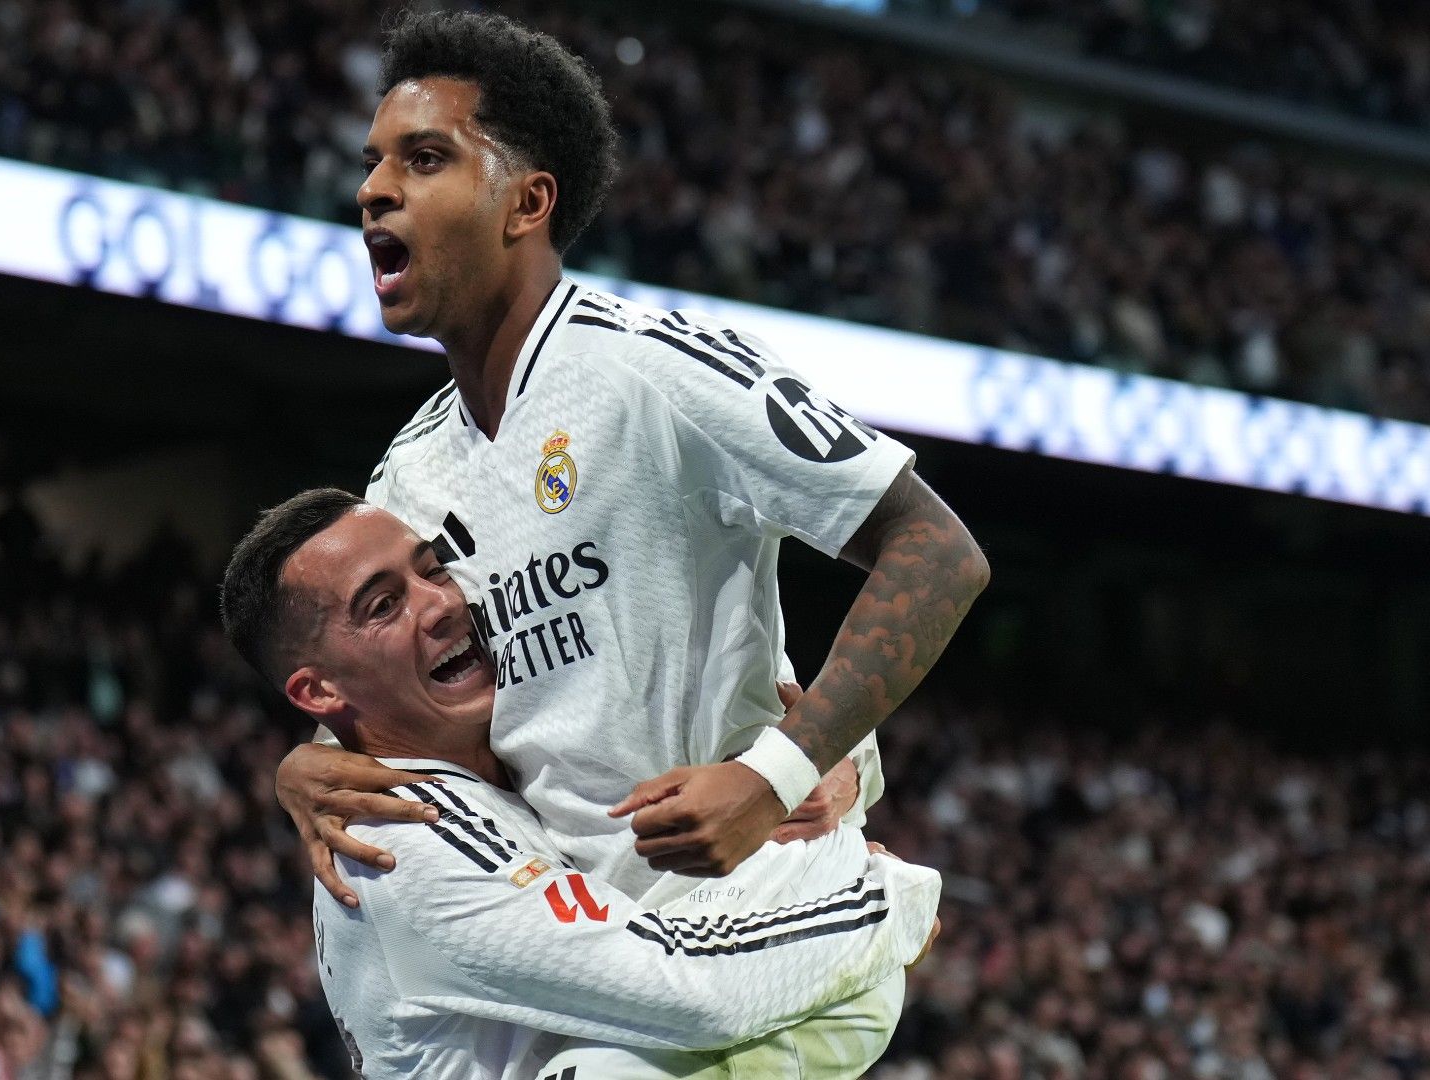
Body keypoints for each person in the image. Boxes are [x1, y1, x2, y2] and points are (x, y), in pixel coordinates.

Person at [276, 10, 988, 907]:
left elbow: (936, 550)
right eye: (372, 163)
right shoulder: (406, 478)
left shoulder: (657, 368)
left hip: (729, 919)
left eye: (423, 159)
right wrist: (310, 762)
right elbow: (423, 710)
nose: (374, 190)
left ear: (527, 204)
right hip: (589, 946)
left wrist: (781, 770)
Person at [221, 490, 942, 1079]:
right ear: (316, 693)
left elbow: (776, 711)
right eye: (382, 606)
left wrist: (826, 770)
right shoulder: (400, 833)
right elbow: (691, 991)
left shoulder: (501, 756)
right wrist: (887, 900)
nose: (440, 604)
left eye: (434, 570)